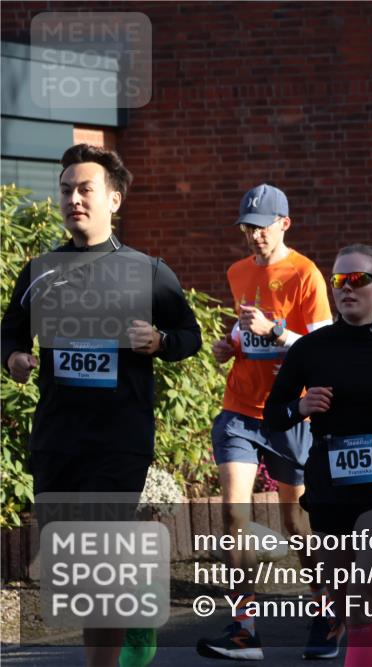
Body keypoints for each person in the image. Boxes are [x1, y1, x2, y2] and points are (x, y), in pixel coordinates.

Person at [1, 144, 202, 667]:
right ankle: (136, 593)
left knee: (97, 559)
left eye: (85, 189)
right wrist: (15, 358)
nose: (73, 198)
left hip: (119, 438)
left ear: (114, 199)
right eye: (66, 189)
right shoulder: (41, 271)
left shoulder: (147, 271)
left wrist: (159, 341)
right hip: (57, 438)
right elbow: (9, 334)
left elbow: (190, 335)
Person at [263, 244, 372, 667]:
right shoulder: (310, 349)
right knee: (351, 609)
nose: (346, 288)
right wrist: (300, 407)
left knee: (361, 606)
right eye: (339, 280)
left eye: (357, 279)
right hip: (330, 485)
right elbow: (273, 414)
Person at [196, 184, 335, 661]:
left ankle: (327, 612)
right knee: (234, 513)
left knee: (297, 522)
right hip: (239, 409)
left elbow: (321, 349)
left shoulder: (306, 273)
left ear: (284, 224)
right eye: (247, 228)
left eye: (261, 227)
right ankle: (244, 628)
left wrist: (274, 331)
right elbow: (245, 331)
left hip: (289, 413)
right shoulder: (237, 271)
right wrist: (230, 345)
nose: (254, 236)